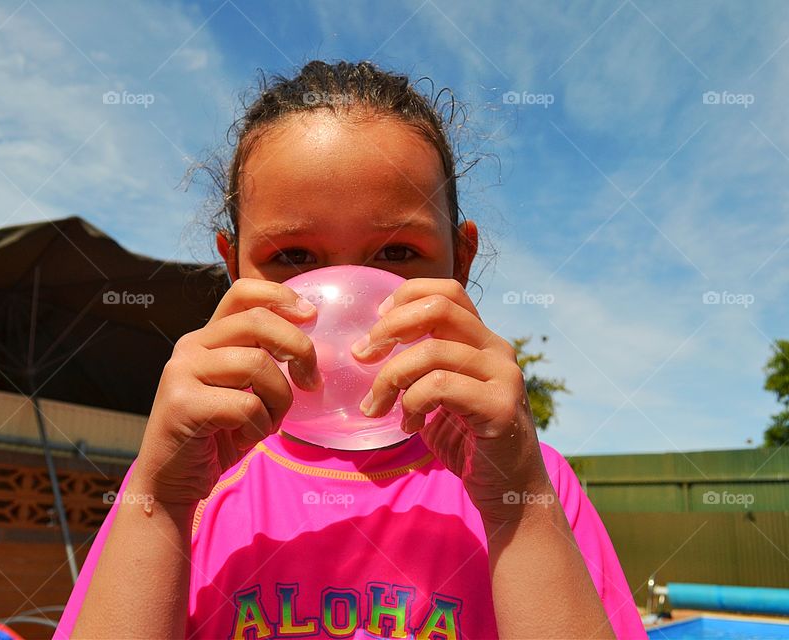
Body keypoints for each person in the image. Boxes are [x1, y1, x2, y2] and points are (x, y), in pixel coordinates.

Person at [56, 60, 647, 639]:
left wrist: (516, 507)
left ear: (459, 262)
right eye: (293, 257)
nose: (344, 302)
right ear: (233, 267)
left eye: (396, 254)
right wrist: (161, 500)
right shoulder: (183, 484)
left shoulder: (528, 483)